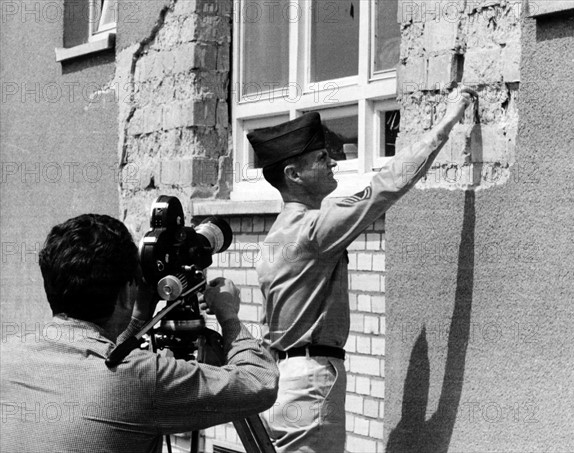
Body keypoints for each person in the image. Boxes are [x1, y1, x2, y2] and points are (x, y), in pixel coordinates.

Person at [247, 87, 477, 452]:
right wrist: (445, 124)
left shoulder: (274, 238)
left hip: (281, 381)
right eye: (322, 157)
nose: (333, 162)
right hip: (310, 383)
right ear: (294, 174)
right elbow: (385, 187)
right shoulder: (313, 229)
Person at [0, 214, 279, 453]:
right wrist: (228, 314)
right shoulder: (140, 378)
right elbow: (259, 383)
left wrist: (138, 314)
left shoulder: (8, 355)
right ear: (124, 293)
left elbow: (99, 358)